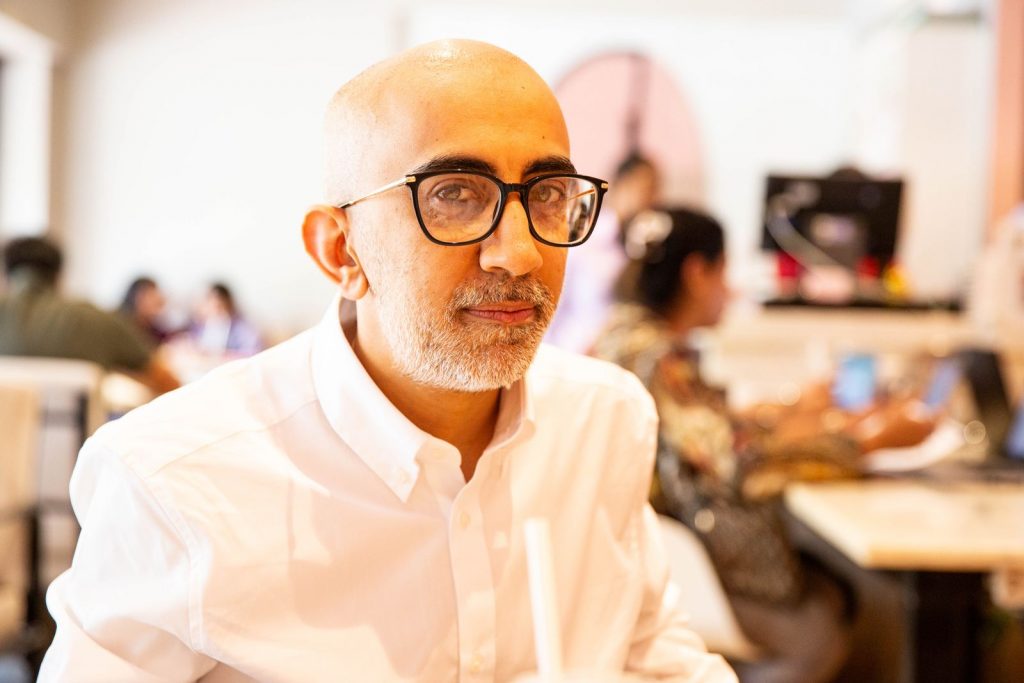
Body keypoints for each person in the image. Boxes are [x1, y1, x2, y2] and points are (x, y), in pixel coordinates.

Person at [39, 41, 736, 682]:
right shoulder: (175, 481)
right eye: (455, 194)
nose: (520, 253)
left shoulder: (604, 421)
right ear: (340, 251)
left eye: (548, 195)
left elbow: (655, 657)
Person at [592, 207, 935, 683]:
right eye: (724, 271)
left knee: (831, 591)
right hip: (676, 563)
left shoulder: (622, 338)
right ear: (697, 273)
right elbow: (738, 462)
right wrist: (867, 441)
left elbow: (704, 430)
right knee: (819, 631)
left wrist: (794, 411)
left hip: (641, 553)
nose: (731, 290)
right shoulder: (656, 357)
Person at [0, 237, 179, 394]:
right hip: (90, 424)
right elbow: (168, 382)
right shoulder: (97, 319)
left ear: (6, 275)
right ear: (59, 275)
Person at [544, 151, 660, 353]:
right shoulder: (584, 238)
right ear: (619, 186)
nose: (650, 199)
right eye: (644, 188)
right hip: (576, 353)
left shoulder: (646, 246)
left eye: (655, 190)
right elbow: (553, 304)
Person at [184, 282, 263, 357]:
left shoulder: (242, 329)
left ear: (228, 304)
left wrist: (225, 355)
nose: (214, 310)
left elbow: (253, 352)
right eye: (211, 304)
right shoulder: (199, 326)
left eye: (219, 306)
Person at [117, 276, 174, 344]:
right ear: (136, 297)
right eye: (150, 296)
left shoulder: (152, 328)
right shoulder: (124, 326)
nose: (156, 299)